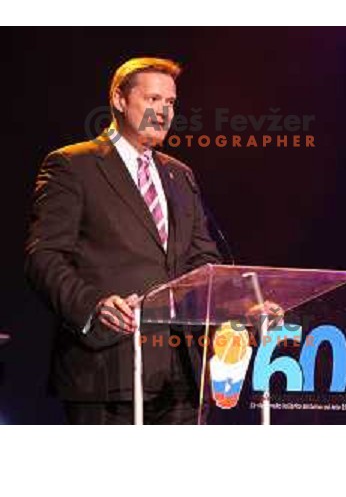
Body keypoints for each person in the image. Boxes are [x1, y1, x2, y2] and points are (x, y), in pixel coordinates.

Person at [24, 57, 222, 424]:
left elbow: (202, 261)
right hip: (106, 369)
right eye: (152, 99)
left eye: (171, 103)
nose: (163, 112)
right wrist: (93, 305)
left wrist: (242, 302)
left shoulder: (180, 175)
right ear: (118, 99)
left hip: (182, 377)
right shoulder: (72, 165)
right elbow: (44, 256)